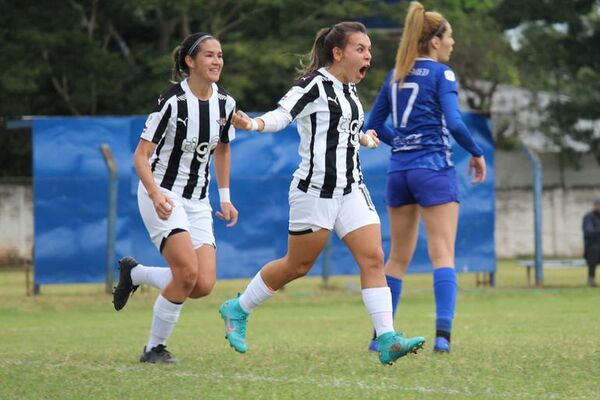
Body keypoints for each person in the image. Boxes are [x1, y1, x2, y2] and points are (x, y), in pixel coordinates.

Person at [218, 21, 426, 366]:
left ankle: (387, 338)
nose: (368, 56)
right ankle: (237, 309)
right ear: (338, 53)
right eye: (361, 49)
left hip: (351, 189)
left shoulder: (350, 90)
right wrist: (252, 123)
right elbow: (282, 116)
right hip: (314, 191)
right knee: (297, 265)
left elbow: (344, 127)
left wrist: (363, 138)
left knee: (373, 258)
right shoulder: (313, 84)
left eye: (370, 50)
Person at [364, 1, 486, 354]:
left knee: (397, 258)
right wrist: (477, 152)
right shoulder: (441, 75)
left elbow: (371, 127)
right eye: (449, 37)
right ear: (434, 41)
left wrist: (401, 140)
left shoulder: (395, 75)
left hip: (399, 172)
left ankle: (379, 337)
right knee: (442, 255)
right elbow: (456, 122)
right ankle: (443, 338)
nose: (452, 44)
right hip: (433, 170)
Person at [111, 32, 239, 364]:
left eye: (220, 55)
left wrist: (224, 197)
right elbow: (141, 157)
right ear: (190, 61)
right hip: (164, 194)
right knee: (185, 272)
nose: (217, 61)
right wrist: (154, 194)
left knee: (202, 284)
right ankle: (154, 348)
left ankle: (136, 274)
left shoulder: (225, 103)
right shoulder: (172, 102)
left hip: (198, 201)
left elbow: (223, 149)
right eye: (209, 55)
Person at [582, 196, 600, 287]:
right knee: (595, 249)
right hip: (591, 248)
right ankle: (591, 278)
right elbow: (589, 232)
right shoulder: (589, 217)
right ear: (595, 206)